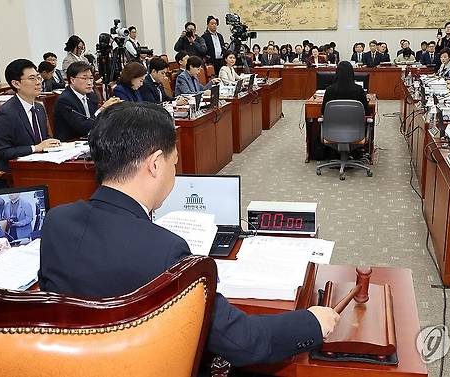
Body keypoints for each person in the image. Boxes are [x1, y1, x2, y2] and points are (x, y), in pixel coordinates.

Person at [38, 101, 340, 368]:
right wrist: (312, 322)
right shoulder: (165, 251)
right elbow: (242, 342)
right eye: (174, 161)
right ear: (155, 164)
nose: (175, 169)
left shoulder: (56, 222)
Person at [0, 59, 59, 185]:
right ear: (16, 83)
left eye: (38, 77)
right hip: (16, 177)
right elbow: (2, 152)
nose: (39, 82)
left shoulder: (39, 107)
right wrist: (35, 148)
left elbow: (45, 140)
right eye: (32, 78)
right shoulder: (6, 113)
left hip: (39, 169)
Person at [54, 62, 121, 141]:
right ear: (72, 80)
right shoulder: (65, 100)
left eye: (91, 78)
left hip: (90, 140)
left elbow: (98, 124)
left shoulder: (91, 96)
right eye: (84, 78)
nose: (89, 82)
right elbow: (82, 128)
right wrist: (102, 109)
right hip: (71, 144)